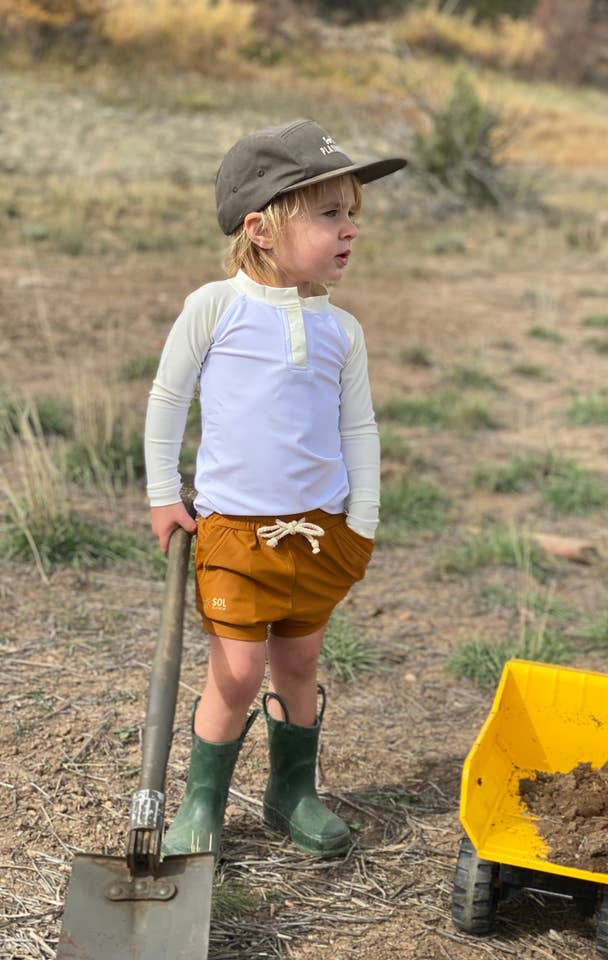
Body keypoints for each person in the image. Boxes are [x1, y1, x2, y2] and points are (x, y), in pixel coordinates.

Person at [144, 119, 406, 860]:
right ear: (260, 228)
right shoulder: (215, 308)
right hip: (234, 532)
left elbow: (361, 428)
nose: (350, 229)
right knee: (234, 672)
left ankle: (292, 791)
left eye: (353, 213)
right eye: (330, 214)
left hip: (323, 532)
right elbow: (169, 402)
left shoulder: (342, 331)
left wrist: (364, 520)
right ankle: (202, 802)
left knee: (298, 663)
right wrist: (166, 495)